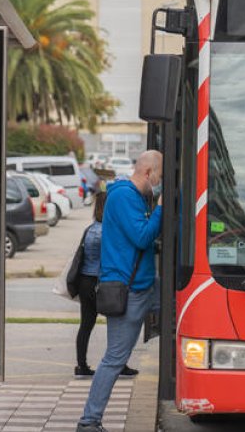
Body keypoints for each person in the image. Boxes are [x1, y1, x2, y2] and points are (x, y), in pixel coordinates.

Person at [76, 150, 163, 432]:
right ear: (149, 173)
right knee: (115, 358)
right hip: (130, 289)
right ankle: (89, 421)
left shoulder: (134, 196)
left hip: (146, 286)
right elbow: (141, 236)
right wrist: (161, 207)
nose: (159, 182)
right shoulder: (125, 196)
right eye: (159, 176)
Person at [74, 192, 138, 378]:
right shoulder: (107, 232)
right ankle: (120, 363)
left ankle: (81, 365)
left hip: (85, 282)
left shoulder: (90, 229)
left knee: (86, 324)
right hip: (102, 283)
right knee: (117, 323)